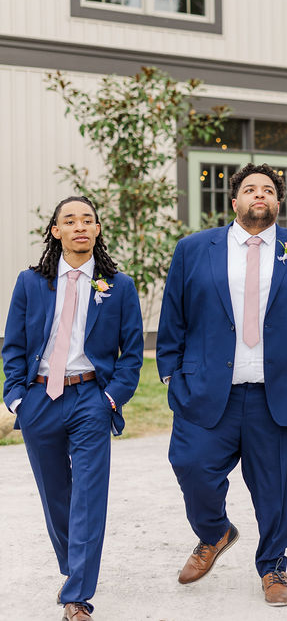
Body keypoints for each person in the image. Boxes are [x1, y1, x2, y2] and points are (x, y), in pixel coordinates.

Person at [157, 164, 287, 606]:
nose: (260, 195)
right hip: (207, 390)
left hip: (281, 392)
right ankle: (214, 532)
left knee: (276, 488)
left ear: (279, 202)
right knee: (192, 466)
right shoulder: (195, 249)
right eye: (250, 189)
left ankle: (274, 565)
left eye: (269, 190)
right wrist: (172, 371)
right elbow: (174, 316)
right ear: (234, 201)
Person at [2, 195, 144, 621]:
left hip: (89, 399)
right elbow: (13, 345)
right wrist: (17, 399)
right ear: (56, 231)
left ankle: (77, 596)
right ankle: (74, 572)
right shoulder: (31, 283)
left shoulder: (119, 286)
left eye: (88, 220)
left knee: (88, 498)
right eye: (70, 220)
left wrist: (109, 399)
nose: (80, 226)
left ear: (97, 230)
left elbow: (132, 355)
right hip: (40, 399)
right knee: (56, 497)